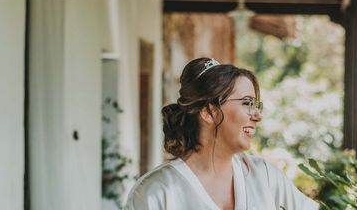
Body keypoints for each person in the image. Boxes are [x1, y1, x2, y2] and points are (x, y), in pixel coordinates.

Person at [125, 57, 319, 210]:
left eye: (256, 105)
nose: (257, 115)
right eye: (247, 103)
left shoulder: (265, 177)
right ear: (209, 112)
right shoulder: (156, 193)